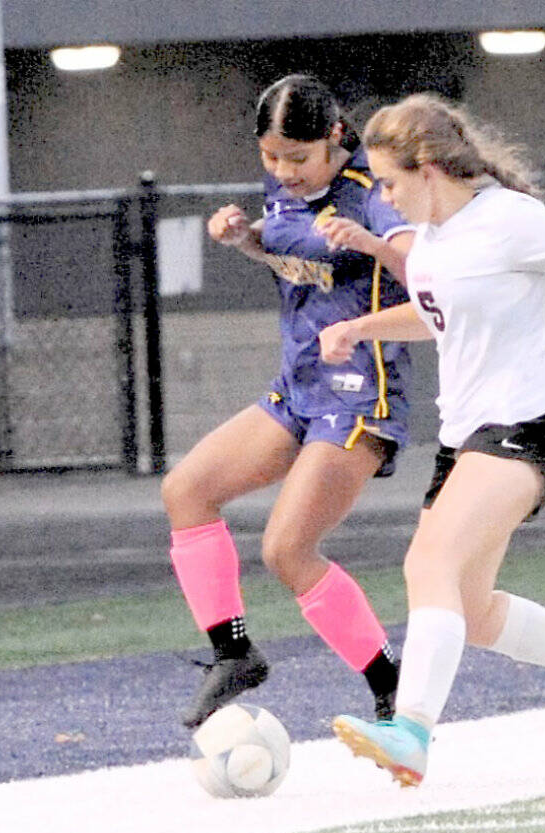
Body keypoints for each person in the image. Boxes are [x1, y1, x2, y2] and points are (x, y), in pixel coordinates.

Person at [316, 94, 545, 787]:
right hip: (466, 438)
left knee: (428, 566)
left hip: (527, 427)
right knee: (471, 610)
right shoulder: (436, 238)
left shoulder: (507, 218)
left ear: (427, 167)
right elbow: (436, 315)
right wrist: (362, 329)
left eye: (388, 181)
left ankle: (412, 732)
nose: (382, 196)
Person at [161, 74, 415, 730]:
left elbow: (430, 273)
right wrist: (245, 238)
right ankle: (234, 653)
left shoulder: (371, 194)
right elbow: (294, 259)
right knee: (186, 490)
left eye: (297, 158)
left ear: (335, 137)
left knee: (286, 550)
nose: (283, 172)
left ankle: (393, 685)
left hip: (359, 396)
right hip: (297, 389)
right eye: (270, 157)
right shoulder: (284, 188)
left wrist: (376, 245)